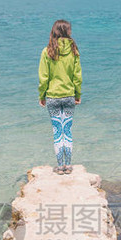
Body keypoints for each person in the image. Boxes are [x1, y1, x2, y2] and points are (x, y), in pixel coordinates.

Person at [38, 19, 82, 175]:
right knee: (67, 131)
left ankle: (60, 167)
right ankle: (68, 166)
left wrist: (42, 95)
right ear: (68, 32)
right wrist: (78, 94)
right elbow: (77, 76)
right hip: (69, 95)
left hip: (52, 97)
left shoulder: (47, 51)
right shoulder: (74, 51)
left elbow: (44, 77)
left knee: (57, 131)